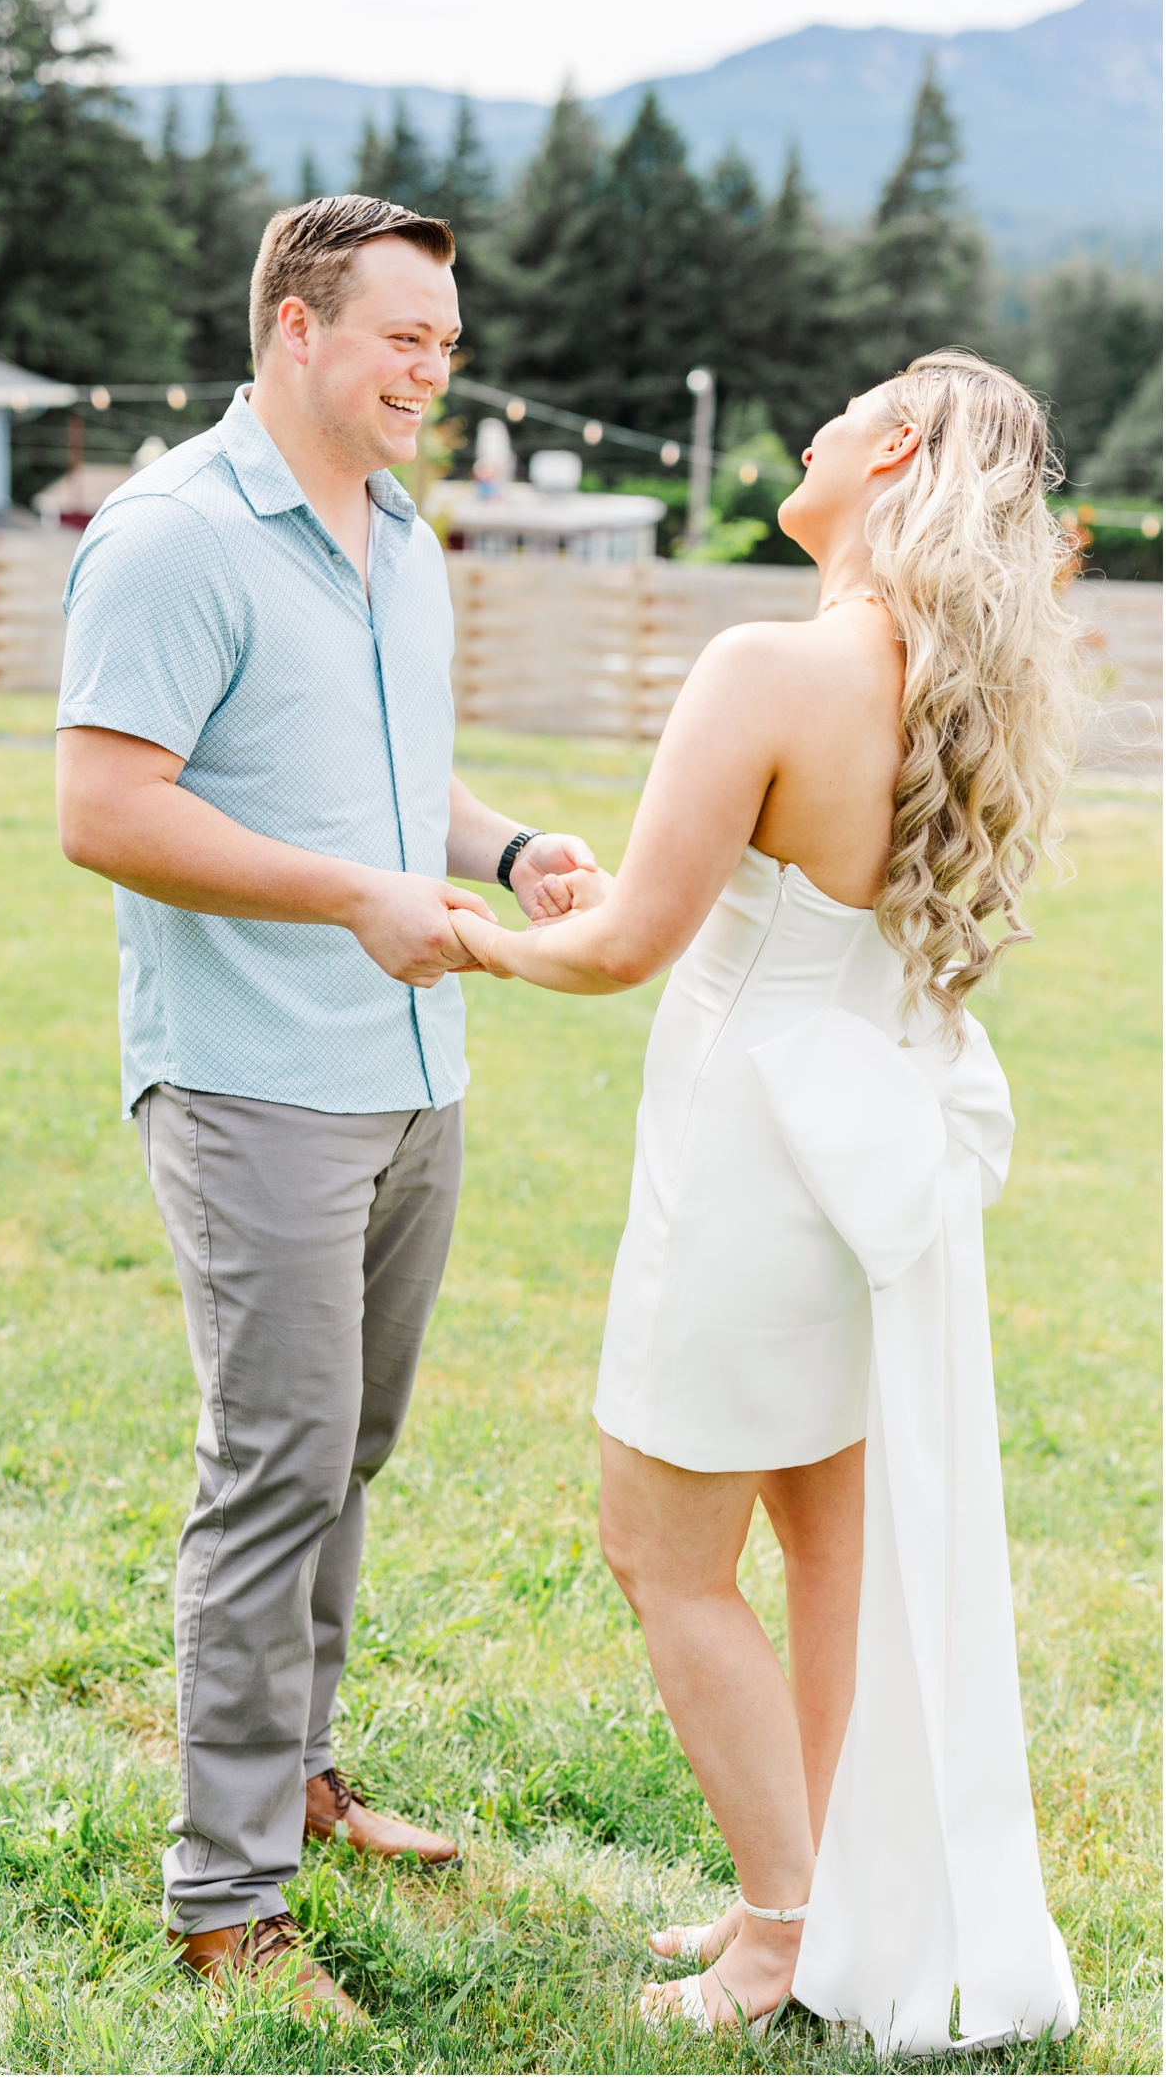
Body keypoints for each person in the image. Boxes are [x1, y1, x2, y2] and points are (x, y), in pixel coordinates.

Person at [449, 352, 1085, 2055]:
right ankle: (806, 1900)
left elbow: (627, 944)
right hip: (865, 1147)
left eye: (841, 408)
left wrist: (458, 933)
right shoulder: (952, 691)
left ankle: (783, 1927)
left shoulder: (771, 664)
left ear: (887, 452)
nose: (806, 429)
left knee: (661, 1549)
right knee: (826, 1547)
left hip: (747, 1150)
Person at [54, 194, 597, 2022]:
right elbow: (107, 810)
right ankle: (226, 1905)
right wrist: (352, 899)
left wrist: (503, 847)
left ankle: (298, 1779)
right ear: (298, 328)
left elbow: (393, 771)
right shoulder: (172, 537)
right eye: (404, 340)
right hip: (253, 1080)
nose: (435, 373)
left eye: (447, 344)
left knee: (343, 1455)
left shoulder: (401, 536)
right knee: (272, 1463)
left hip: (414, 1072)